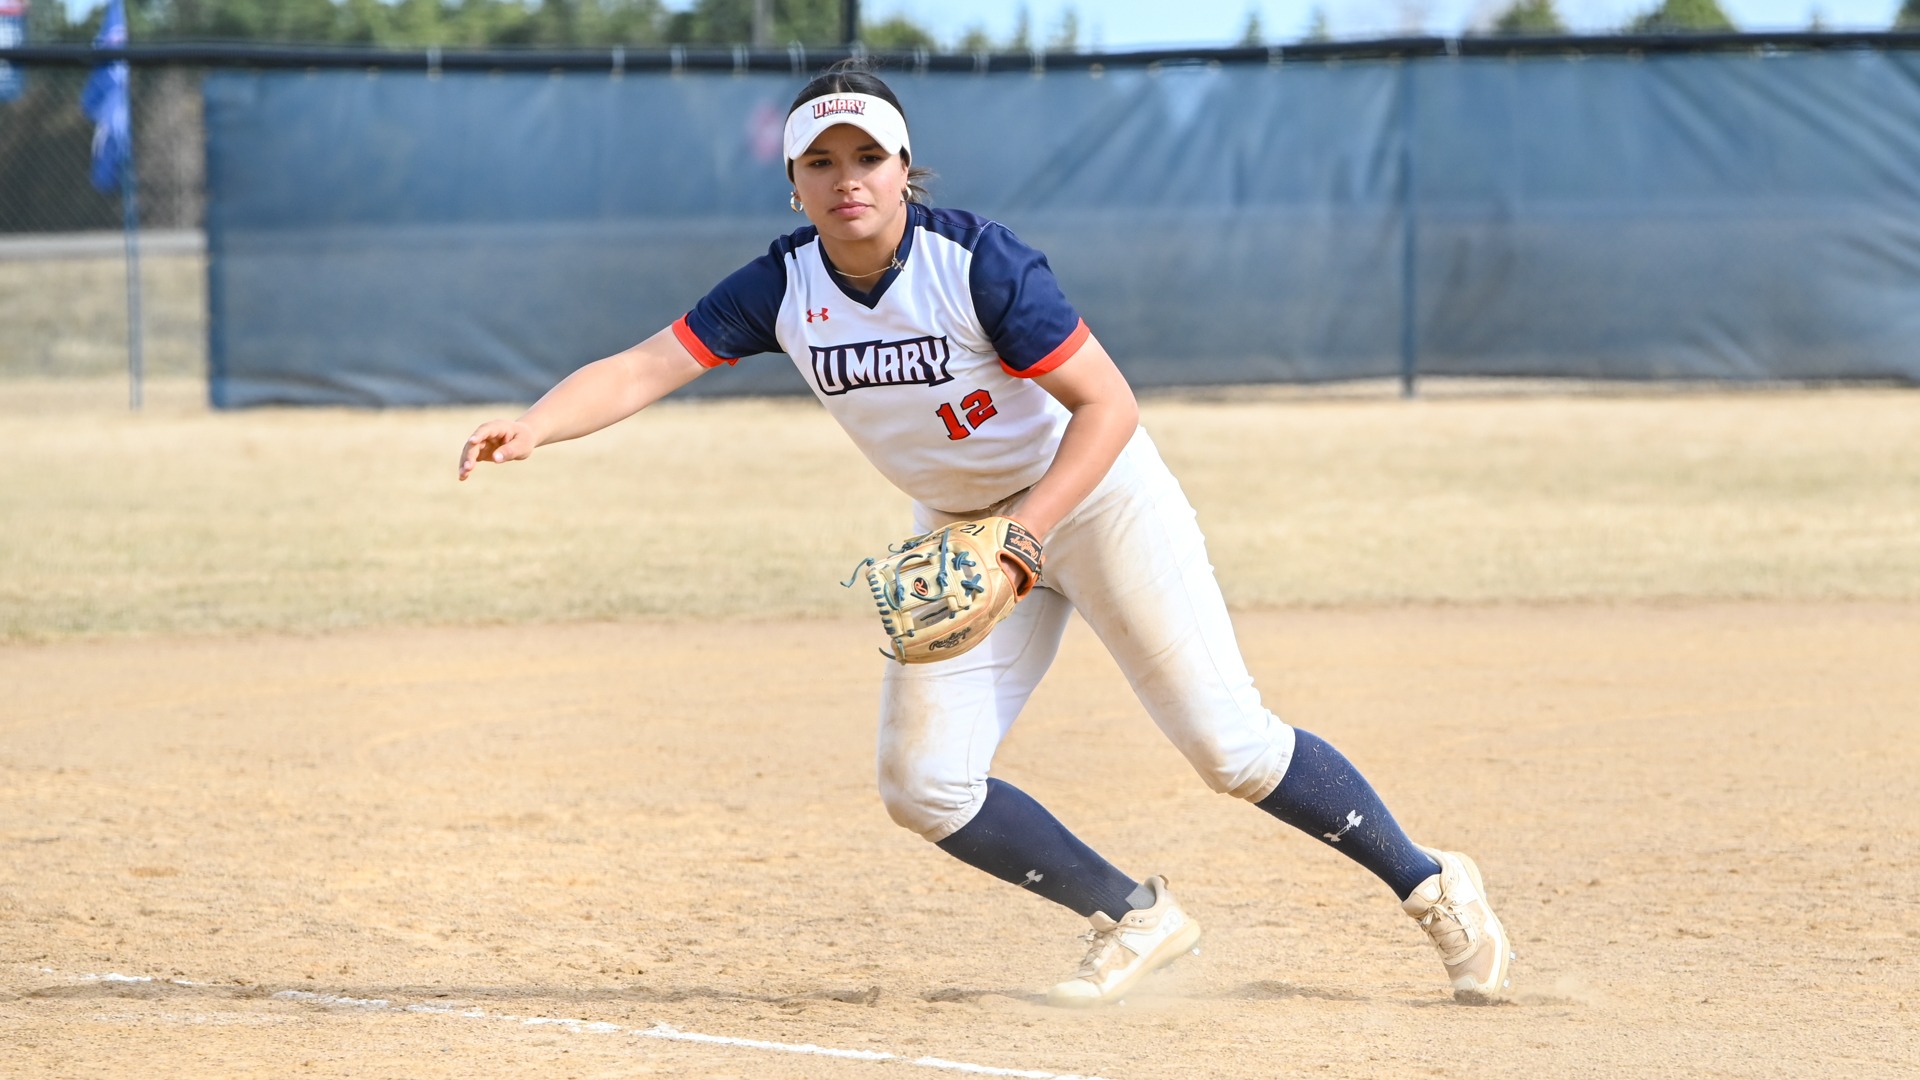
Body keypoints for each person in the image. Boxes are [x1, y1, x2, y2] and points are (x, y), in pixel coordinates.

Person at [457, 61, 1512, 1007]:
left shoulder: (978, 264)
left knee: (1229, 748)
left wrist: (1026, 539)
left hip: (1094, 502)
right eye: (818, 161)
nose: (845, 177)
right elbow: (651, 362)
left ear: (906, 165)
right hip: (967, 537)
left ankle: (1429, 882)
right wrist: (538, 422)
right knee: (924, 787)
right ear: (793, 185)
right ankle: (1135, 914)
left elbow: (1110, 408)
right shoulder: (784, 286)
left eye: (867, 154)